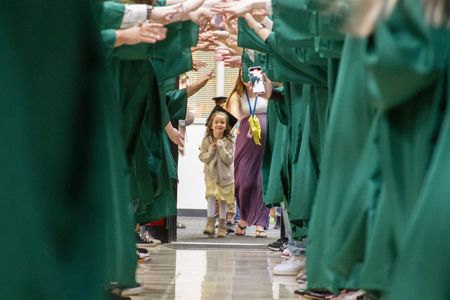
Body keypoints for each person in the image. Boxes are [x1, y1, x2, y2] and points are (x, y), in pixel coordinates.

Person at [226, 70, 271, 238]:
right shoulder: (237, 95)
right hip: (246, 141)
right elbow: (234, 116)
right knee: (243, 182)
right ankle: (244, 217)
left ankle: (261, 223)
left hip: (267, 142)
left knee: (262, 182)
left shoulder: (264, 91)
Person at [199, 107, 237, 238]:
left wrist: (221, 147)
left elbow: (229, 159)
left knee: (223, 200)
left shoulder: (229, 141)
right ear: (211, 125)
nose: (219, 124)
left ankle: (222, 225)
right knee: (210, 197)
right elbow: (202, 157)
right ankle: (210, 223)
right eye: (216, 122)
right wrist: (210, 151)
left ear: (226, 126)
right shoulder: (206, 140)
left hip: (225, 177)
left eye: (222, 122)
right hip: (210, 176)